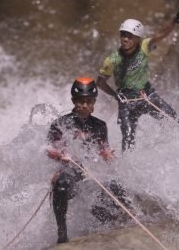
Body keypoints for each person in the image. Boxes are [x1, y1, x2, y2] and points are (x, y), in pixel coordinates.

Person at [47, 77, 132, 244]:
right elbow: (50, 149)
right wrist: (61, 155)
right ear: (74, 101)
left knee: (116, 186)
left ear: (94, 102)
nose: (85, 105)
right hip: (69, 171)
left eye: (89, 101)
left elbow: (103, 149)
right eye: (81, 101)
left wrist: (107, 155)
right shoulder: (60, 123)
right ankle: (62, 234)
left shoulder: (100, 126)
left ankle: (112, 227)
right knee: (62, 185)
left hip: (91, 172)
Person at [97, 0, 179, 152]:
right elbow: (100, 83)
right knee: (127, 139)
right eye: (123, 35)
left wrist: (178, 17)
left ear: (138, 38)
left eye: (130, 36)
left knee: (174, 120)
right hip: (126, 102)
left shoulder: (145, 47)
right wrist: (116, 96)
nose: (125, 39)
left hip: (147, 96)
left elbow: (163, 33)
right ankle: (125, 170)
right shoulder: (112, 60)